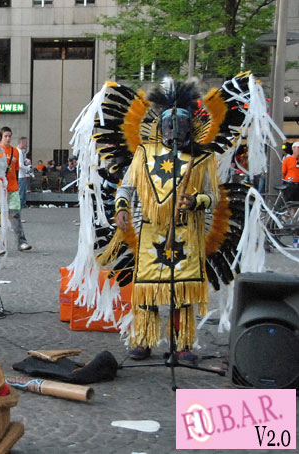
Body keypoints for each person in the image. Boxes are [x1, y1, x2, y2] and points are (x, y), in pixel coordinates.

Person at [111, 84, 220, 363]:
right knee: (147, 288)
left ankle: (182, 344)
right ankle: (145, 339)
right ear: (161, 127)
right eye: (169, 125)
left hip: (187, 231)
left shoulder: (202, 158)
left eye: (180, 125)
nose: (174, 131)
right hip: (151, 231)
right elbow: (126, 188)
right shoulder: (144, 155)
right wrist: (122, 208)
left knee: (181, 291)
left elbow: (213, 196)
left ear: (189, 127)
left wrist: (196, 201)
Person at [281, 142, 299, 213]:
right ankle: (284, 218)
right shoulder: (287, 160)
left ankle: (293, 219)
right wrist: (283, 183)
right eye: (297, 148)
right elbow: (283, 173)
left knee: (296, 204)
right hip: (290, 184)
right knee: (288, 203)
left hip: (298, 184)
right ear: (293, 149)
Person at [16, 136, 31, 209]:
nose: (27, 145)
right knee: (21, 194)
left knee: (23, 193)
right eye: (26, 143)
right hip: (20, 176)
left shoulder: (21, 152)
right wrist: (28, 168)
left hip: (22, 175)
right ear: (22, 142)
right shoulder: (19, 152)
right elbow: (20, 165)